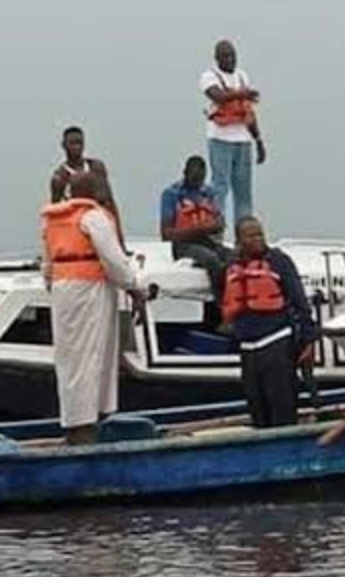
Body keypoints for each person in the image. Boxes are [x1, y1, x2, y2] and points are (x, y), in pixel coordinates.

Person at [42, 172, 147, 445]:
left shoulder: (53, 221)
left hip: (63, 290)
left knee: (69, 358)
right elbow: (114, 261)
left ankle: (74, 424)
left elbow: (47, 265)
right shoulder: (93, 217)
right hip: (90, 290)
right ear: (92, 190)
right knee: (91, 355)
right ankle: (85, 428)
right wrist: (134, 287)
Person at [221, 217, 319, 428]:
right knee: (257, 410)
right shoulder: (231, 265)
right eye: (251, 235)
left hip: (276, 343)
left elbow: (299, 300)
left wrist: (309, 340)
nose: (258, 239)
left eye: (260, 234)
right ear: (239, 240)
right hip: (248, 349)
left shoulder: (279, 261)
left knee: (282, 409)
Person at [201, 39, 264, 225]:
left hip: (243, 140)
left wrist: (258, 140)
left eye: (233, 56)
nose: (230, 60)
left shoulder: (242, 76)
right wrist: (242, 94)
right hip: (220, 138)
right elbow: (217, 96)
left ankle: (243, 234)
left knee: (243, 190)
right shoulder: (209, 76)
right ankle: (216, 232)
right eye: (226, 56)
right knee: (220, 187)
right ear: (217, 58)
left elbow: (249, 111)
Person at [159, 155, 232, 313]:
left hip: (207, 241)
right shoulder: (171, 194)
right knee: (211, 260)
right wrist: (199, 230)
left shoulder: (208, 192)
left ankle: (235, 302)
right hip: (183, 245)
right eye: (193, 178)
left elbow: (219, 221)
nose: (197, 183)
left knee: (234, 257)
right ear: (184, 173)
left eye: (200, 179)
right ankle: (222, 306)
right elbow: (166, 234)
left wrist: (217, 225)